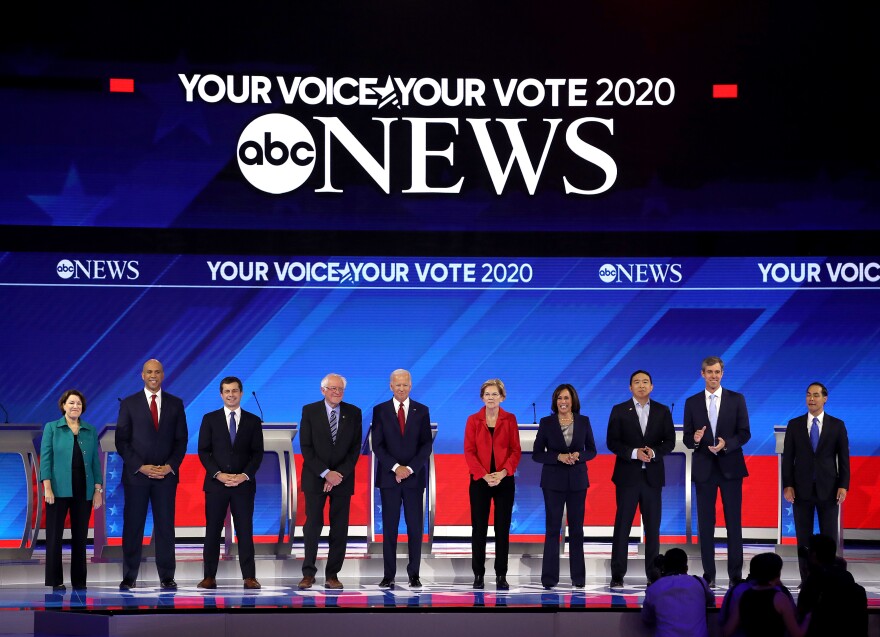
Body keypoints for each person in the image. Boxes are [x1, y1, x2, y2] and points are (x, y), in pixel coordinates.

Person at [115, 359, 188, 590]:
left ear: (163, 375)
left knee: (165, 527)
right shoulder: (129, 404)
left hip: (165, 477)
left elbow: (181, 440)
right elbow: (121, 441)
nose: (153, 375)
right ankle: (129, 576)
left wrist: (169, 466)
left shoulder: (176, 404)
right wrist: (140, 466)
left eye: (157, 372)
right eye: (149, 372)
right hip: (137, 476)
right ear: (142, 375)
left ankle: (167, 576)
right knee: (133, 526)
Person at [683, 356, 751, 587]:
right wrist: (694, 438)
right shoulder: (691, 402)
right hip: (704, 469)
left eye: (717, 372)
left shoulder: (737, 399)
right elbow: (687, 437)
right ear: (702, 374)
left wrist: (727, 444)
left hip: (730, 467)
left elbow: (745, 433)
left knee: (734, 523)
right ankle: (709, 576)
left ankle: (735, 576)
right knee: (706, 524)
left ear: (723, 373)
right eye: (709, 372)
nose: (714, 376)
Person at [607, 370, 675, 588]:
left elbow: (670, 442)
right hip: (628, 477)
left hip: (652, 477)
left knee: (652, 528)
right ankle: (617, 574)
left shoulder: (662, 411)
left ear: (652, 387)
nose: (641, 385)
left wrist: (653, 452)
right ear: (630, 387)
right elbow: (612, 442)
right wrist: (634, 452)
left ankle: (653, 574)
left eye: (645, 382)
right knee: (623, 526)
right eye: (637, 382)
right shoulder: (619, 410)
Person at [197, 376, 264, 590]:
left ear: (241, 393)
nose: (231, 395)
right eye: (227, 391)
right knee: (212, 531)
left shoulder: (253, 421)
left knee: (245, 531)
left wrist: (244, 475)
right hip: (217, 485)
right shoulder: (210, 419)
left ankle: (249, 577)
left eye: (235, 391)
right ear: (221, 394)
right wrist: (218, 474)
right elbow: (204, 451)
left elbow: (257, 454)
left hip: (243, 485)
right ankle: (209, 577)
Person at [298, 373, 363, 590]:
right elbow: (306, 447)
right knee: (313, 526)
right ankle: (308, 573)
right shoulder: (310, 410)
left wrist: (337, 475)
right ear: (323, 390)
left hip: (342, 480)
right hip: (316, 477)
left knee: (339, 528)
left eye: (340, 389)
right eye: (333, 388)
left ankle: (332, 575)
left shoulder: (354, 412)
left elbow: (355, 449)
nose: (337, 392)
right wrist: (326, 473)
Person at [781, 382, 850, 583]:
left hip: (829, 490)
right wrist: (788, 484)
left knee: (829, 540)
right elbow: (788, 458)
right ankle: (807, 579)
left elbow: (843, 458)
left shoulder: (837, 425)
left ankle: (829, 579)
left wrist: (843, 485)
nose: (812, 399)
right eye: (809, 395)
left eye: (816, 395)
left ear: (825, 398)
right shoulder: (794, 424)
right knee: (803, 539)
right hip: (801, 490)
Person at [371, 369, 433, 589]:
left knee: (415, 528)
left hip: (414, 480)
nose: (401, 388)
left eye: (405, 384)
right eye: (397, 385)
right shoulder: (380, 410)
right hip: (390, 478)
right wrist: (396, 468)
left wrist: (410, 469)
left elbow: (426, 444)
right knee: (389, 528)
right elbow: (377, 444)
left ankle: (414, 574)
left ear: (411, 385)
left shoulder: (422, 411)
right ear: (390, 386)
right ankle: (389, 575)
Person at [532, 383, 597, 589]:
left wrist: (579, 455)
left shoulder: (584, 421)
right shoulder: (546, 422)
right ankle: (549, 579)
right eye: (560, 398)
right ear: (555, 401)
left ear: (573, 400)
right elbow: (537, 454)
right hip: (553, 481)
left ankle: (578, 578)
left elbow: (592, 450)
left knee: (577, 529)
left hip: (578, 481)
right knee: (552, 529)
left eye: (566, 398)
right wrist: (557, 456)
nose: (563, 402)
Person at [40, 389, 104, 592]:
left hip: (83, 490)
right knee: (54, 537)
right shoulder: (52, 428)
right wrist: (47, 488)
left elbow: (95, 461)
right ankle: (55, 580)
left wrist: (97, 490)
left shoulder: (90, 430)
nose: (75, 406)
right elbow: (46, 459)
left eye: (78, 403)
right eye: (71, 403)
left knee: (80, 537)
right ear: (63, 406)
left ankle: (79, 581)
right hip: (57, 490)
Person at [463, 378, 521, 590]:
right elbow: (469, 451)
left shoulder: (510, 419)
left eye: (494, 394)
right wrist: (485, 475)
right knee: (479, 529)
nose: (491, 398)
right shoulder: (473, 420)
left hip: (504, 480)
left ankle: (501, 575)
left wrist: (504, 472)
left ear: (502, 397)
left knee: (502, 529)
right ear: (482, 397)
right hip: (480, 480)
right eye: (487, 394)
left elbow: (516, 450)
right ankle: (478, 574)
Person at [722, 552, 810, 637]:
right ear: (777, 573)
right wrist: (808, 617)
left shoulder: (744, 596)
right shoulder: (780, 598)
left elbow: (726, 632)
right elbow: (797, 634)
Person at [797, 534, 868, 637]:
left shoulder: (813, 585)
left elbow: (801, 618)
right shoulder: (853, 586)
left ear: (814, 555)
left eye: (810, 552)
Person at [642, 548, 713, 637]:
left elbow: (646, 619)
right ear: (686, 568)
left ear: (664, 567)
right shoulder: (700, 583)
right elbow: (711, 600)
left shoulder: (655, 587)